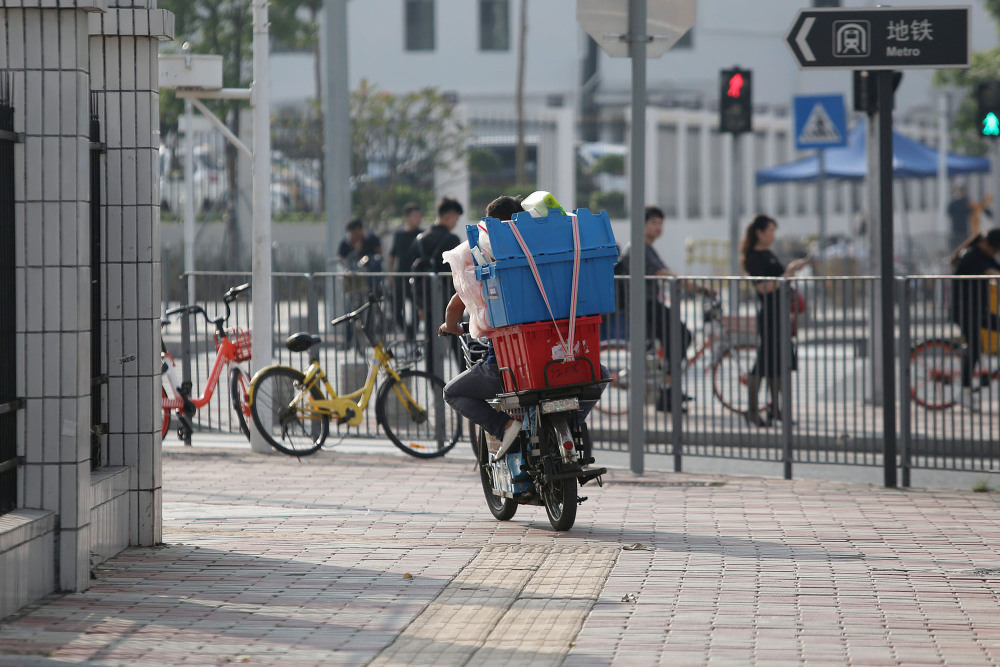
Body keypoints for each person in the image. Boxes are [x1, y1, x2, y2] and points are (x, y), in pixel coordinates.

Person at [439, 195, 609, 461]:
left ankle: (505, 427)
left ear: (489, 226)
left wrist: (450, 326)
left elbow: (454, 306)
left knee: (452, 391)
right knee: (600, 374)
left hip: (513, 371)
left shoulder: (489, 259)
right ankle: (573, 423)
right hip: (571, 362)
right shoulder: (558, 255)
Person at [616, 206, 714, 412]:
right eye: (654, 223)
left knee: (679, 339)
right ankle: (667, 391)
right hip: (644, 306)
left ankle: (667, 387)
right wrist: (700, 289)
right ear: (641, 225)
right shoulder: (639, 248)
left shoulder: (646, 247)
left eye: (660, 223)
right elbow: (664, 273)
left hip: (649, 304)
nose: (659, 227)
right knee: (680, 337)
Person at [740, 214, 811, 427]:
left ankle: (776, 409)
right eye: (770, 230)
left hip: (780, 313)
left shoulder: (769, 253)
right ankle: (752, 410)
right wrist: (786, 275)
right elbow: (763, 287)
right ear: (759, 232)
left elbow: (780, 278)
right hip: (769, 314)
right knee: (763, 363)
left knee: (780, 364)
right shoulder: (753, 257)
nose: (772, 234)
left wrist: (790, 271)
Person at [950, 228, 1000, 411]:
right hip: (964, 311)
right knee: (974, 348)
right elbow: (989, 272)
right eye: (996, 249)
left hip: (979, 311)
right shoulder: (971, 256)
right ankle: (964, 392)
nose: (996, 254)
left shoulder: (987, 257)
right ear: (987, 245)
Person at [409, 197, 464, 329]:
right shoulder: (452, 239)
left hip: (426, 300)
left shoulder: (420, 240)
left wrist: (419, 305)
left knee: (431, 341)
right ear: (448, 216)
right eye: (456, 219)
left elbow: (413, 271)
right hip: (449, 299)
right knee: (456, 341)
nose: (455, 224)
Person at [337, 217, 383, 343]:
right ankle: (348, 340)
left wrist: (369, 268)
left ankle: (375, 336)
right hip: (353, 283)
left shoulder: (372, 239)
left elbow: (379, 257)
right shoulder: (346, 243)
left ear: (359, 230)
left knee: (373, 309)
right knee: (350, 309)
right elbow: (341, 260)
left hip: (370, 282)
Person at [387, 202, 423, 335]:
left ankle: (413, 335)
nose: (418, 219)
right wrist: (390, 275)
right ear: (407, 218)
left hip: (417, 278)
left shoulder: (422, 235)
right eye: (415, 216)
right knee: (396, 310)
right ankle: (408, 333)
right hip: (400, 277)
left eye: (419, 216)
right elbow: (392, 256)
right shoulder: (399, 235)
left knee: (416, 309)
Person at [947, 185, 972, 252]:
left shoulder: (965, 202)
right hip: (957, 227)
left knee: (963, 243)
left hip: (962, 227)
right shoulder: (956, 202)